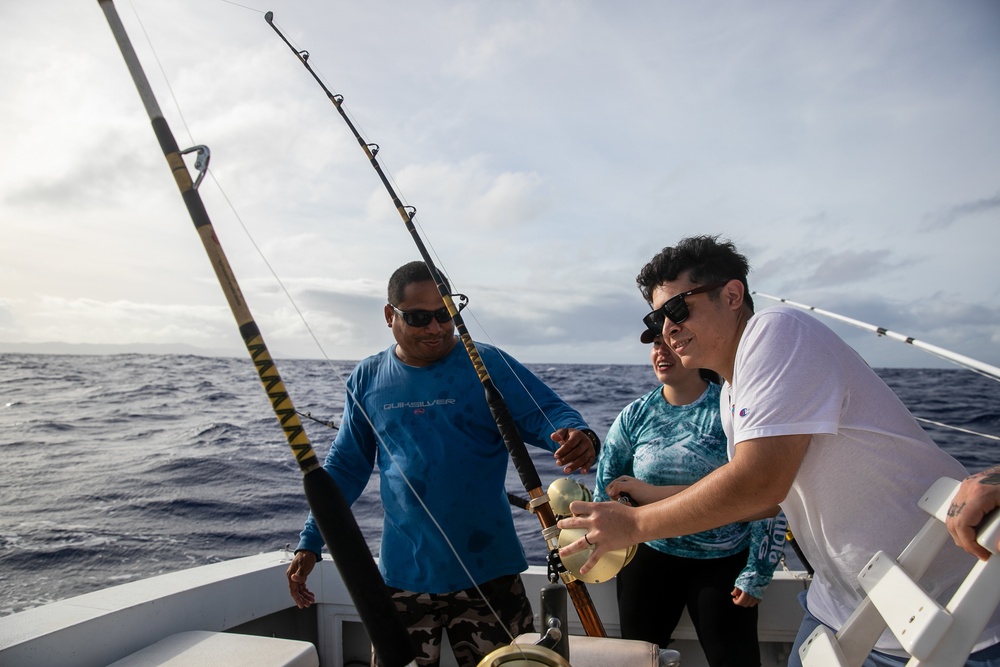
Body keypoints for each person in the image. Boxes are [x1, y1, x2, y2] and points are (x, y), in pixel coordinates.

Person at [558, 235, 1000, 666]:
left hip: (950, 613)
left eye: (678, 307)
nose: (667, 328)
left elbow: (759, 484)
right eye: (656, 321)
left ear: (732, 295)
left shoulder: (776, 331)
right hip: (843, 608)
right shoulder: (732, 394)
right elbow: (764, 501)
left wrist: (635, 523)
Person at [286, 260, 600, 667]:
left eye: (445, 315)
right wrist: (311, 540)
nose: (436, 328)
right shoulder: (366, 378)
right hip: (402, 578)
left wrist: (580, 436)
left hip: (490, 572)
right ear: (389, 315)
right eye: (419, 318)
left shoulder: (487, 365)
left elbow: (549, 414)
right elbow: (345, 467)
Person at [594, 330, 786, 666]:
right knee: (638, 659)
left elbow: (765, 494)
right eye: (656, 345)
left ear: (692, 350)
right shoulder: (635, 416)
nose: (661, 352)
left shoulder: (729, 410)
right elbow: (605, 489)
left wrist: (757, 569)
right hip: (650, 553)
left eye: (670, 344)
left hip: (723, 560)